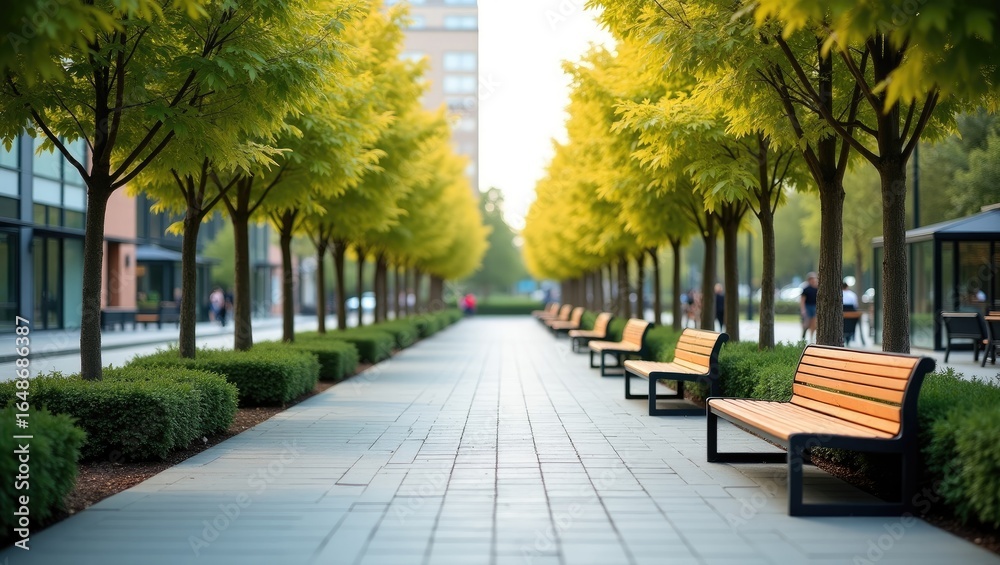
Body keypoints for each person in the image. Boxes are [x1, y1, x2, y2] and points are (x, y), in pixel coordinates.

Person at [800, 272, 818, 343]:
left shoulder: (817, 288)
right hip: (807, 307)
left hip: (814, 307)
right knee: (806, 323)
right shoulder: (806, 289)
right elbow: (802, 300)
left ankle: (811, 338)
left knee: (814, 323)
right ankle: (803, 335)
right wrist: (803, 309)